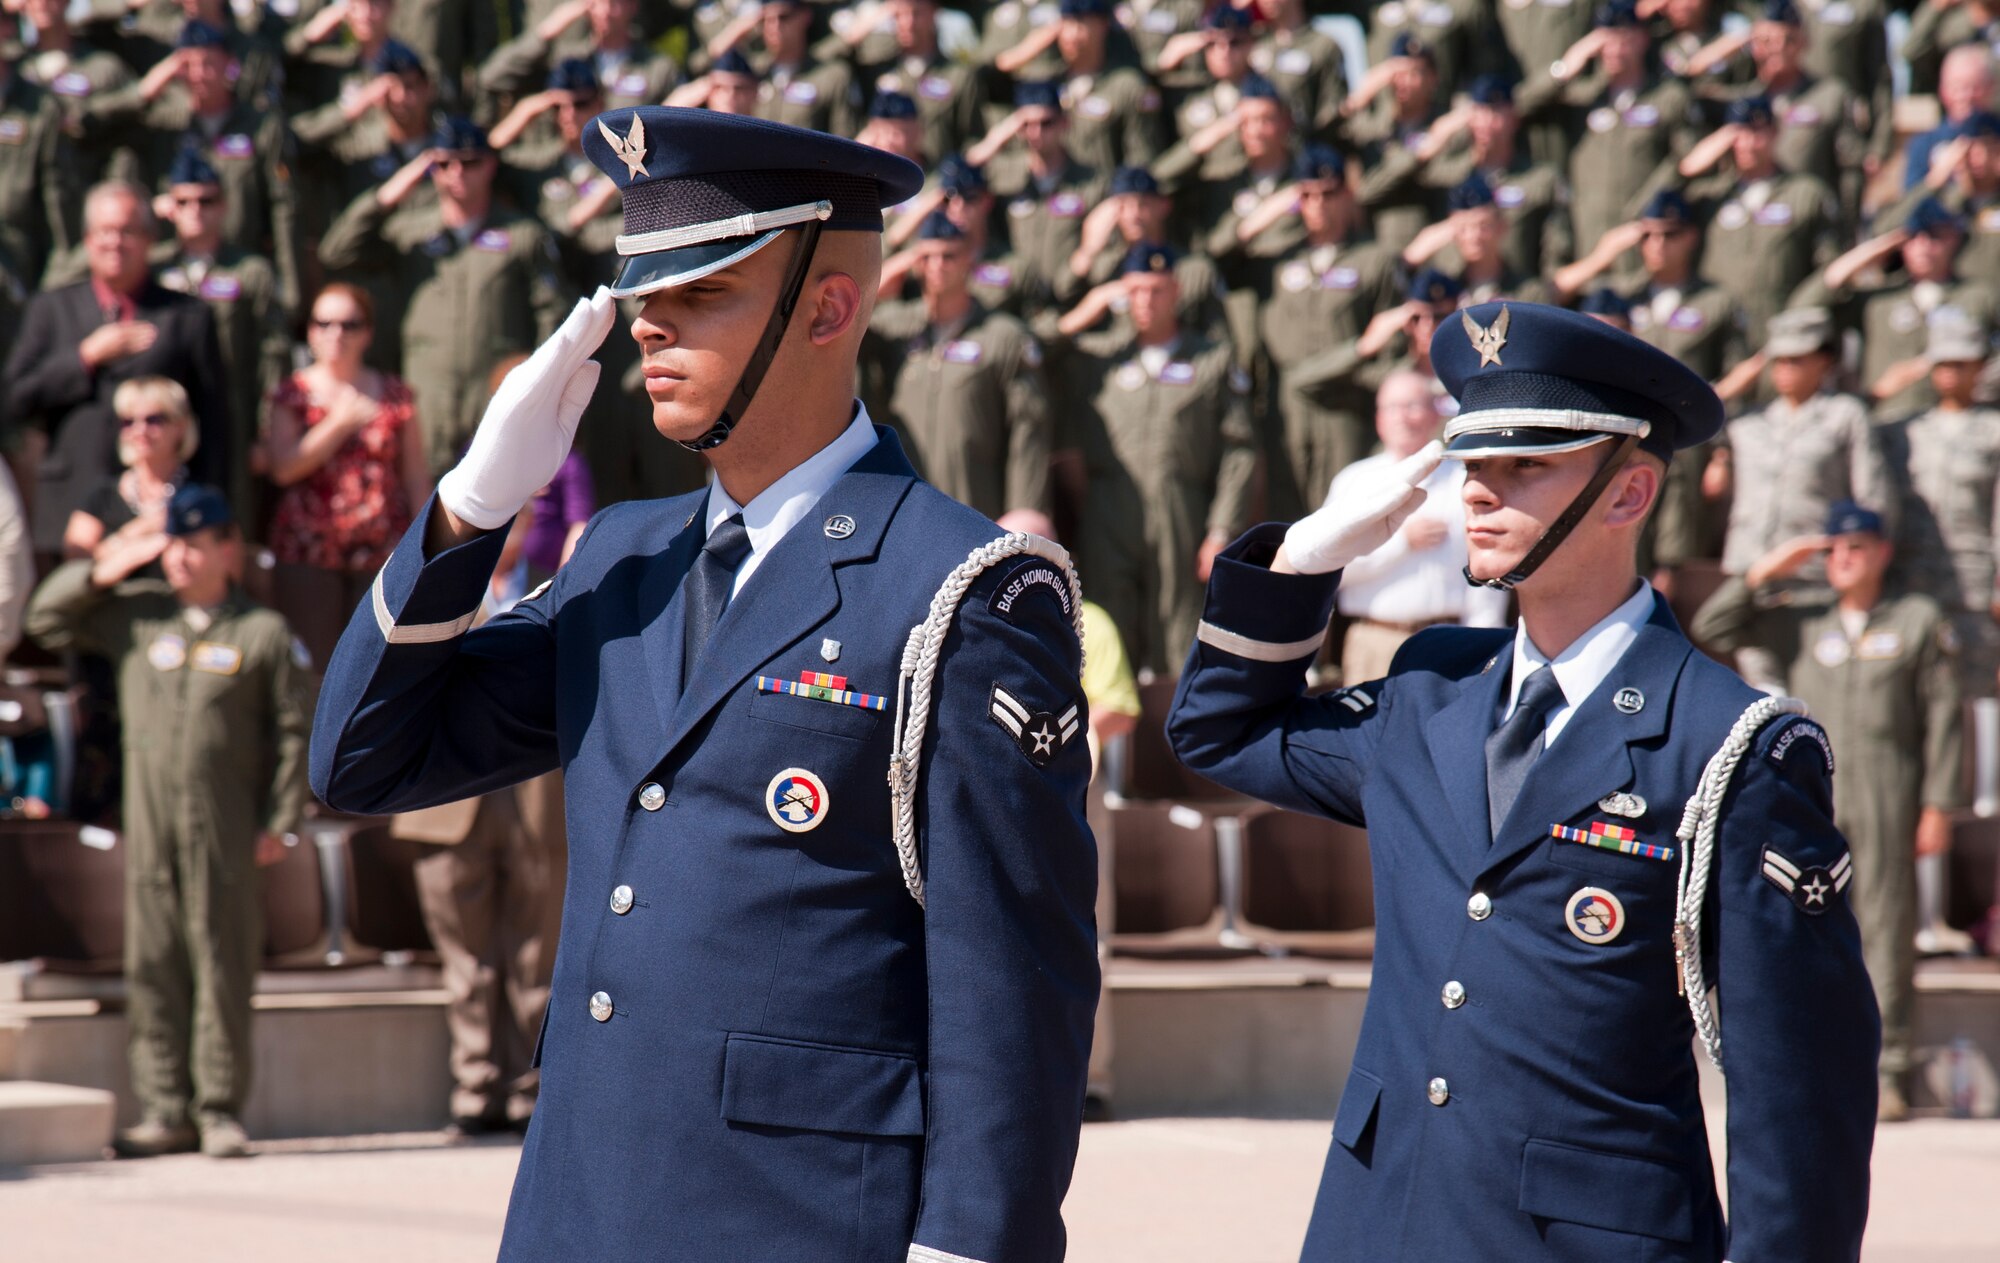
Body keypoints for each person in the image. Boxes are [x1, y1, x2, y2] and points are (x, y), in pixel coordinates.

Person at [310, 106, 1096, 1259]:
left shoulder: (961, 590)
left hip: (801, 1222)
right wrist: (469, 508)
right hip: (582, 1210)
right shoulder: (622, 559)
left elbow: (1012, 987)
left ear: (827, 307)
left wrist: (968, 1246)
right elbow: (364, 760)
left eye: (700, 295)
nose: (648, 330)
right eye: (643, 300)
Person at [1167, 300, 1876, 1260]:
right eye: (1476, 464)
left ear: (1628, 494)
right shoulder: (1432, 685)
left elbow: (1800, 1087)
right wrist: (1295, 566)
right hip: (1381, 1224)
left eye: (1527, 465)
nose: (1480, 493)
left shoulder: (1735, 745)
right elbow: (1220, 733)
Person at [25, 484, 311, 1160]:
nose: (179, 557)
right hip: (150, 820)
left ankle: (218, 1110)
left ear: (227, 548)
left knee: (222, 959)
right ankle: (163, 1108)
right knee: (152, 961)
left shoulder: (261, 631)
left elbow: (295, 732)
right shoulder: (137, 617)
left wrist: (283, 817)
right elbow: (46, 620)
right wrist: (107, 564)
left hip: (227, 823)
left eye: (194, 542)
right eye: (173, 543)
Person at [1691, 500, 1963, 1122]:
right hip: (1813, 795)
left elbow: (1945, 721)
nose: (1844, 558)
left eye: (1858, 547)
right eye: (1833, 549)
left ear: (1884, 552)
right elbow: (1714, 625)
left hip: (1891, 788)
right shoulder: (1804, 619)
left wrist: (1939, 804)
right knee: (1803, 922)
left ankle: (1888, 1071)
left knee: (1888, 931)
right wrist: (1768, 570)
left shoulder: (1918, 620)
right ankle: (1809, 1063)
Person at [391, 506, 568, 1138]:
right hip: (449, 800)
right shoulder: (435, 580)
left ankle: (528, 1089)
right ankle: (475, 1085)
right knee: (466, 960)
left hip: (536, 799)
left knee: (535, 954)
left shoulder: (568, 580)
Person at [316, 116, 567, 478]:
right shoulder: (411, 233)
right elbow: (336, 252)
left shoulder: (522, 235)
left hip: (495, 393)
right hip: (427, 396)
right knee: (426, 507)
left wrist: (540, 386)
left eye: (469, 163)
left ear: (490, 165)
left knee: (498, 502)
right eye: (444, 163)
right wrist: (395, 189)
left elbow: (552, 313)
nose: (457, 173)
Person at [1057, 242, 1255, 675]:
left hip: (1181, 505)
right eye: (1136, 290)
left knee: (1179, 627)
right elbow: (1039, 351)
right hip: (1109, 506)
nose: (1145, 301)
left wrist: (1221, 527)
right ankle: (1111, 741)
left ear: (1177, 291)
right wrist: (1087, 309)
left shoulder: (1212, 359)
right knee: (1107, 629)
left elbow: (1239, 450)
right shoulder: (1098, 358)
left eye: (1157, 290)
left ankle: (1171, 739)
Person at [2, 180, 226, 558]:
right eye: (105, 232)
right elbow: (13, 399)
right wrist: (85, 357)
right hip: (67, 509)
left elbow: (214, 421)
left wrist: (211, 507)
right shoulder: (52, 309)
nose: (115, 242)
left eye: (127, 231)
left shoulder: (187, 315)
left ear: (150, 239)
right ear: (87, 240)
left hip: (164, 515)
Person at [263, 281, 428, 669]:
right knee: (314, 670)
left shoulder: (395, 394)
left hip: (382, 555)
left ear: (367, 332)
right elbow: (282, 468)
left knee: (373, 669)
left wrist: (427, 547)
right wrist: (338, 424)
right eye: (324, 324)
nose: (336, 334)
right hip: (308, 556)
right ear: (310, 332)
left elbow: (416, 476)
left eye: (349, 324)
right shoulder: (292, 393)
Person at [865, 212, 1053, 522]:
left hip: (978, 507)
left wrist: (1023, 512)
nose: (938, 265)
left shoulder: (1003, 336)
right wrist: (880, 281)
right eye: (927, 257)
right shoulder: (894, 328)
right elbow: (842, 332)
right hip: (905, 508)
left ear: (969, 260)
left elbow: (1028, 432)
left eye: (949, 256)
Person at [1329, 370, 1508, 684]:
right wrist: (1400, 543)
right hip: (1374, 641)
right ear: (1378, 418)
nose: (1402, 417)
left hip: (1451, 640)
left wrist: (1485, 642)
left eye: (1412, 405)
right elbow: (1332, 569)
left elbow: (1489, 570)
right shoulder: (1353, 482)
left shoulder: (1465, 481)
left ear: (1434, 413)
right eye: (1392, 407)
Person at [152, 149, 291, 526]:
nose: (195, 210)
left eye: (206, 200)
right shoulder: (152, 266)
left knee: (232, 519)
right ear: (168, 206)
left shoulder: (250, 271)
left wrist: (265, 429)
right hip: (160, 415)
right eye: (183, 201)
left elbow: (273, 354)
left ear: (225, 205)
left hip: (232, 412)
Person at [1716, 307, 1892, 583]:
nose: (1784, 368)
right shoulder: (1748, 421)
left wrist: (1862, 568)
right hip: (1745, 568)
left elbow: (1871, 496)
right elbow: (1688, 423)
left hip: (1812, 573)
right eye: (1778, 360)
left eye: (1796, 360)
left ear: (1824, 360)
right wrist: (1729, 387)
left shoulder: (1845, 415)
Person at [62, 376, 195, 563]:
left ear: (180, 426)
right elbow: (77, 558)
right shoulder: (101, 495)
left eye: (153, 420)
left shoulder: (201, 493)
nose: (139, 429)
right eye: (128, 422)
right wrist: (133, 534)